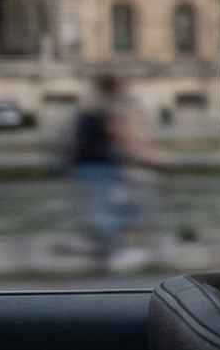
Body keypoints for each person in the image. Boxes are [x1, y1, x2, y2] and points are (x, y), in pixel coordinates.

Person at [65, 74, 158, 270]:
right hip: (102, 165)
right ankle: (117, 252)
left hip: (85, 165)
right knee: (113, 209)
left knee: (104, 206)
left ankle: (98, 244)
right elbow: (121, 135)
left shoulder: (90, 104)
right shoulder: (107, 107)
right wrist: (148, 156)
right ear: (115, 88)